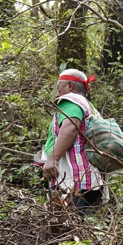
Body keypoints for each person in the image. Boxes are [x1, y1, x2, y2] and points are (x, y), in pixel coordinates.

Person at [36, 68, 108, 215]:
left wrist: (52, 159)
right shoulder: (89, 107)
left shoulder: (71, 101)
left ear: (69, 86)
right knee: (70, 226)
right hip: (89, 179)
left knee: (65, 227)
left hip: (74, 180)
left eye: (58, 88)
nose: (57, 93)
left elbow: (70, 127)